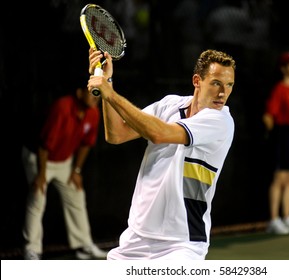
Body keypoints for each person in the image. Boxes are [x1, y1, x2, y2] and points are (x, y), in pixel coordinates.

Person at [87, 48, 236, 260]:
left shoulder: (221, 122)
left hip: (182, 244)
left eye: (229, 85)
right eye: (216, 83)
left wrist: (111, 94)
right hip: (137, 237)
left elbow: (158, 134)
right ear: (197, 81)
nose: (223, 92)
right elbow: (116, 134)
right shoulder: (169, 105)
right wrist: (107, 82)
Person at [21, 84, 108, 260]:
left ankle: (83, 246)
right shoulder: (63, 107)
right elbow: (44, 146)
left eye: (98, 96)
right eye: (92, 94)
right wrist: (41, 175)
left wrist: (76, 170)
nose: (95, 99)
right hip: (38, 158)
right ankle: (31, 249)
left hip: (64, 161)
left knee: (77, 195)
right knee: (37, 198)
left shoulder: (93, 113)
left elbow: (86, 143)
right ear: (80, 92)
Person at [262, 51, 289, 235]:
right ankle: (274, 219)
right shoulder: (280, 89)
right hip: (283, 134)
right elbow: (268, 115)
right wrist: (273, 135)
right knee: (279, 178)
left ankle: (287, 216)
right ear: (283, 68)